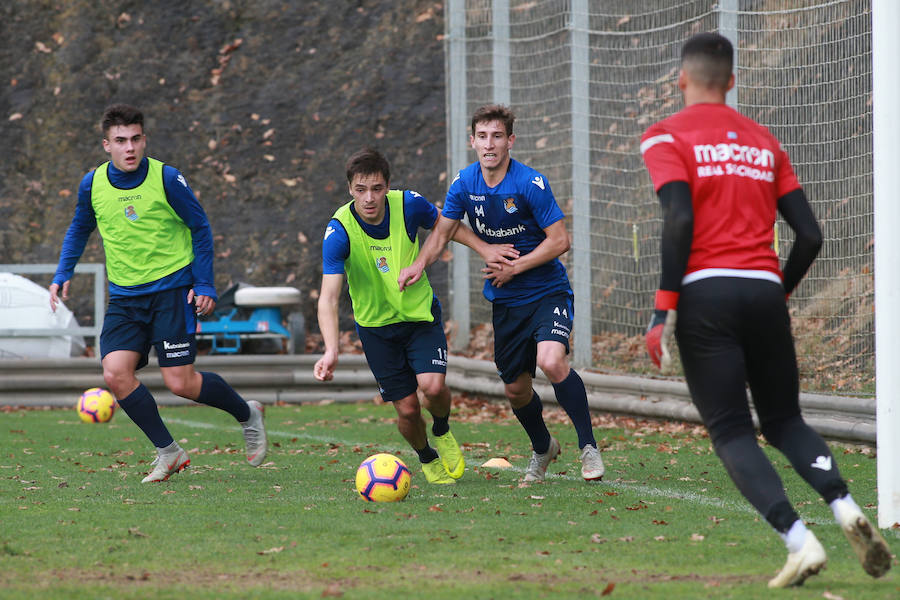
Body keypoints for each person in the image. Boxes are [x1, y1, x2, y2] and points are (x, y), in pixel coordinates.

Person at [640, 32, 891, 588]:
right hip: (763, 289)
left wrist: (663, 310)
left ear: (681, 80)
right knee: (785, 421)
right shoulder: (763, 141)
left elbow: (679, 218)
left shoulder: (665, 136)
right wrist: (776, 293)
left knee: (731, 430)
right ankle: (846, 506)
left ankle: (800, 543)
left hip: (707, 295)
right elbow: (809, 236)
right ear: (731, 82)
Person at [49, 104, 267, 483]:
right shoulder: (93, 184)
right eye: (120, 141)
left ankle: (247, 413)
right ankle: (169, 452)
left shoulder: (166, 178)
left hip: (172, 291)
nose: (129, 147)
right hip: (126, 298)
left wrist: (204, 283)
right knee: (115, 373)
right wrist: (63, 272)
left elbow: (199, 227)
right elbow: (79, 228)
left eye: (135, 139)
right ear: (107, 145)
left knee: (180, 383)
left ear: (144, 140)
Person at [398, 104, 606, 483]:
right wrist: (418, 265)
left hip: (547, 292)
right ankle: (543, 448)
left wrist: (516, 266)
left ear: (510, 140)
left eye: (497, 136)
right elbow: (443, 232)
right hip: (506, 301)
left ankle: (588, 448)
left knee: (552, 360)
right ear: (472, 141)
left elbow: (560, 241)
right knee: (515, 390)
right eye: (482, 136)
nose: (489, 144)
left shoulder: (529, 184)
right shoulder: (464, 183)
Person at [314, 148, 493, 484]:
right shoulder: (339, 231)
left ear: (388, 186)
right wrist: (331, 349)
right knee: (408, 409)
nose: (369, 198)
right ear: (350, 189)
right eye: (361, 190)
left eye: (377, 188)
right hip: (376, 330)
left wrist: (486, 249)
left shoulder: (409, 204)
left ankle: (442, 429)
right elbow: (328, 297)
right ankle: (427, 456)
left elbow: (447, 226)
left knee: (434, 387)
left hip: (419, 316)